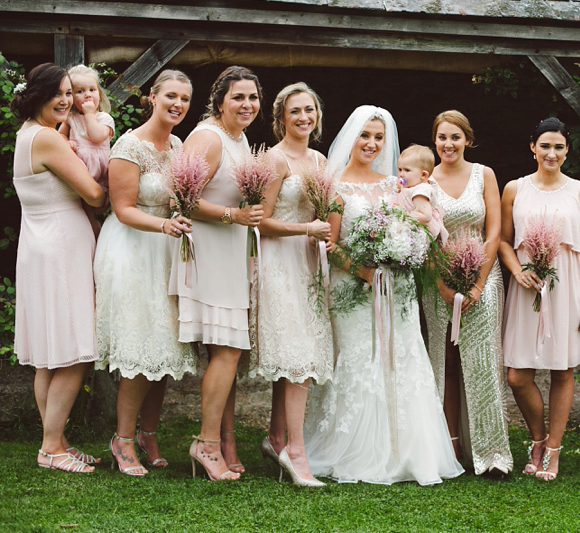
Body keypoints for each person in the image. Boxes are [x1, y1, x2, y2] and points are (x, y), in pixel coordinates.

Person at [303, 105, 463, 485]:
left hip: (399, 291)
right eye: (365, 135)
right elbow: (329, 243)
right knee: (359, 359)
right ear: (351, 137)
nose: (372, 144)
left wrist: (408, 251)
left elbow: (420, 226)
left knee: (400, 359)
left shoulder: (396, 185)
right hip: (353, 289)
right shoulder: (334, 186)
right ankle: (355, 446)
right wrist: (363, 271)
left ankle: (406, 449)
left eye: (378, 137)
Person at [94, 70, 199, 476]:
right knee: (142, 347)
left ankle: (148, 434)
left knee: (166, 347)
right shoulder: (128, 145)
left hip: (169, 250)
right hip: (134, 249)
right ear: (152, 97)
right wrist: (164, 225)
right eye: (171, 96)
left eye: (185, 99)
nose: (178, 105)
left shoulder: (177, 144)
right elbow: (123, 208)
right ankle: (121, 440)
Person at [170, 66, 265, 481]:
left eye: (253, 98)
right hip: (207, 253)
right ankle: (206, 445)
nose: (247, 105)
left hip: (231, 253)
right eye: (239, 97)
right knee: (226, 350)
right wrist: (235, 215)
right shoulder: (208, 138)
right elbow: (182, 199)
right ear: (220, 100)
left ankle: (224, 442)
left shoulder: (239, 139)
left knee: (229, 351)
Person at [12, 63, 106, 472]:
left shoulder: (26, 135)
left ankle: (59, 440)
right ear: (39, 95)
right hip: (61, 244)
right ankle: (50, 449)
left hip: (38, 243)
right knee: (73, 352)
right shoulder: (49, 139)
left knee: (50, 355)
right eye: (60, 93)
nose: (68, 100)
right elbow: (95, 194)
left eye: (71, 93)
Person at [500, 117, 580, 481]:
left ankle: (553, 451)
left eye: (559, 146)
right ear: (532, 147)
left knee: (563, 369)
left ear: (567, 150)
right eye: (545, 145)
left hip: (568, 286)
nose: (552, 153)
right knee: (517, 375)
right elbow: (503, 240)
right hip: (527, 287)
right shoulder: (514, 188)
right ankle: (538, 438)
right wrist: (516, 270)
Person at [251, 82, 334, 487]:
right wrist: (306, 228)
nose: (304, 117)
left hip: (308, 264)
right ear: (281, 117)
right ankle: (296, 454)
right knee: (297, 357)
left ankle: (276, 437)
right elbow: (260, 221)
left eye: (310, 110)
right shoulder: (275, 160)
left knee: (297, 354)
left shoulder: (319, 160)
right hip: (280, 263)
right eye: (296, 111)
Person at [422, 110, 512, 475]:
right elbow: (421, 235)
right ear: (435, 141)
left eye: (455, 137)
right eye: (442, 137)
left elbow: (494, 232)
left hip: (484, 277)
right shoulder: (426, 181)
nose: (448, 144)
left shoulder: (484, 174)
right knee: (442, 362)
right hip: (438, 278)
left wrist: (477, 283)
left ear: (467, 140)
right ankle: (448, 446)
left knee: (484, 362)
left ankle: (492, 454)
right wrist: (441, 281)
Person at [63, 65, 115, 235]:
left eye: (92, 89)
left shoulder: (103, 118)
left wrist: (90, 115)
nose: (87, 94)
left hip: (99, 170)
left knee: (96, 209)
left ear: (99, 94)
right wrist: (66, 142)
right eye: (80, 91)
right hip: (80, 168)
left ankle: (99, 235)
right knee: (80, 211)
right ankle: (86, 234)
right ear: (70, 97)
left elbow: (97, 137)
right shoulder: (70, 118)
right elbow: (59, 137)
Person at [393, 144, 446, 243]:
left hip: (418, 231)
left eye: (407, 170)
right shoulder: (411, 184)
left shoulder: (420, 192)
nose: (401, 174)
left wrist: (404, 214)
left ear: (423, 175)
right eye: (400, 169)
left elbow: (426, 216)